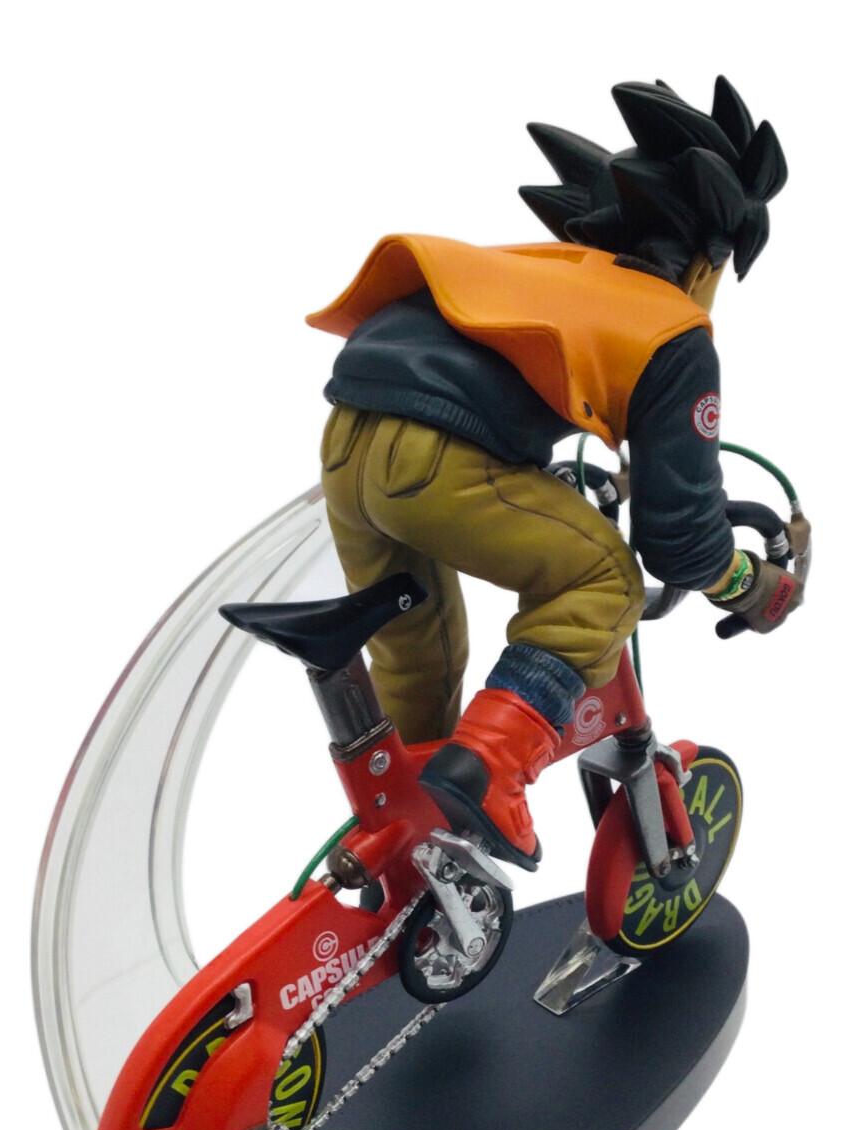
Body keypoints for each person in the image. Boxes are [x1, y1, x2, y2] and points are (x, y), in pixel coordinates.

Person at [308, 76, 800, 871]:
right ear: (707, 259)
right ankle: (491, 768)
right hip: (437, 461)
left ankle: (408, 844)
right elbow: (680, 542)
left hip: (344, 445)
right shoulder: (674, 328)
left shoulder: (553, 268)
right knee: (604, 582)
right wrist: (751, 584)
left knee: (420, 654)